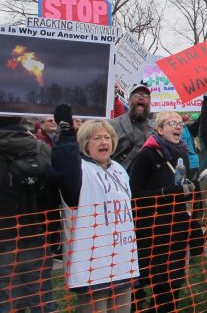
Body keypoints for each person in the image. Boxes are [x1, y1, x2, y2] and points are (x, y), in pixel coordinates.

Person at [50, 108, 138, 313]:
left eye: (107, 137)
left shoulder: (118, 169)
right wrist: (66, 132)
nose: (103, 142)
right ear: (84, 144)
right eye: (96, 138)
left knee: (123, 308)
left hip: (122, 257)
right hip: (93, 260)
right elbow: (64, 166)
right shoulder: (79, 170)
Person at [129, 111, 199, 312]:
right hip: (152, 229)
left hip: (175, 227)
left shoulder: (182, 153)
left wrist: (188, 189)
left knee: (172, 282)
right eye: (171, 123)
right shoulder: (146, 155)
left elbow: (178, 186)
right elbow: (136, 194)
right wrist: (165, 192)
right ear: (159, 129)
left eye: (180, 124)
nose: (178, 127)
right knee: (151, 279)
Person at [0, 116, 59, 313]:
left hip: (4, 238)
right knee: (39, 298)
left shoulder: (42, 147)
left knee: (5, 299)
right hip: (37, 232)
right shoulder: (43, 149)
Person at [111, 84, 155, 171]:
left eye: (145, 96)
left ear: (149, 101)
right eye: (137, 95)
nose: (141, 97)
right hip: (120, 176)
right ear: (129, 99)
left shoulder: (155, 127)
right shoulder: (114, 124)